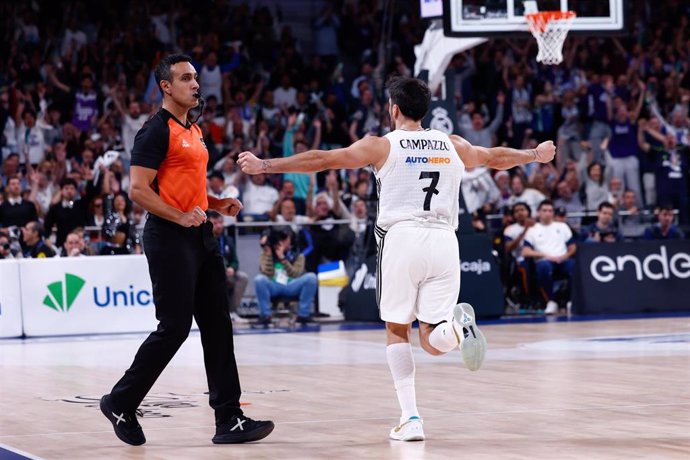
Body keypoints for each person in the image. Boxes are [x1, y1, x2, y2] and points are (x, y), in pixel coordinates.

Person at [238, 76, 556, 441]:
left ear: (394, 109)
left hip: (402, 238)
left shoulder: (381, 146)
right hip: (444, 240)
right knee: (432, 338)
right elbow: (494, 157)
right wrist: (533, 155)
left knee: (396, 329)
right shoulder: (451, 143)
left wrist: (266, 165)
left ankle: (411, 418)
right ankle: (457, 329)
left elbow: (323, 160)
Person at [100, 54, 273, 447]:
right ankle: (120, 401)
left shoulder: (193, 130)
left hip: (201, 234)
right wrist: (180, 218)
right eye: (186, 78)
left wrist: (216, 203)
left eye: (196, 77)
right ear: (166, 87)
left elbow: (185, 189)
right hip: (168, 236)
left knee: (218, 325)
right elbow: (139, 190)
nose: (196, 84)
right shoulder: (154, 131)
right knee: (174, 328)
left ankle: (229, 418)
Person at [253, 227, 318, 327]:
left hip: (292, 285)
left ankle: (303, 315)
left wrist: (283, 258)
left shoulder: (298, 255)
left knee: (311, 277)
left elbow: (295, 273)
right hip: (274, 285)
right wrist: (269, 255)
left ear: (290, 240)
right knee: (259, 279)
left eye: (284, 239)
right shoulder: (266, 253)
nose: (281, 242)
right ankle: (266, 316)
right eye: (280, 239)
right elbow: (267, 273)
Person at [522, 200, 577, 315]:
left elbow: (573, 247)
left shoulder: (562, 226)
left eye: (550, 211)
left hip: (562, 258)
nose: (547, 213)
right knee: (543, 267)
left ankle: (571, 301)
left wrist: (564, 256)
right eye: (544, 210)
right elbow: (526, 251)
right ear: (538, 213)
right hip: (544, 260)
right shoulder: (532, 230)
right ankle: (551, 301)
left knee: (574, 266)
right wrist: (545, 255)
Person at [208, 210, 249, 324]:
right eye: (215, 223)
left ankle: (232, 312)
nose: (219, 226)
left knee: (242, 278)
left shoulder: (228, 240)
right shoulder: (205, 239)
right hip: (211, 273)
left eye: (220, 222)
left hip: (227, 273)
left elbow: (235, 260)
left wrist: (232, 268)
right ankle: (213, 313)